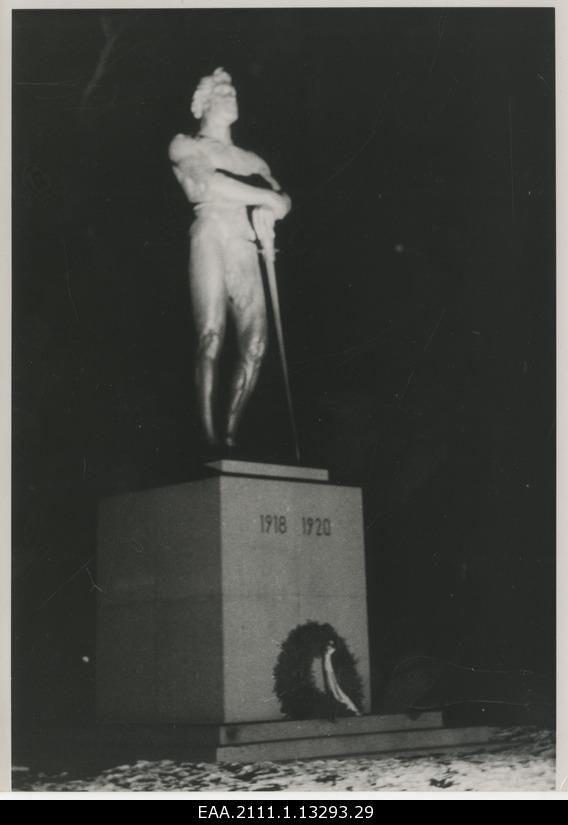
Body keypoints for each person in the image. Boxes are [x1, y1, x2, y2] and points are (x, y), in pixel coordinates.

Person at [169, 68, 291, 449]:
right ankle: (205, 436)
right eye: (222, 90)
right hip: (211, 232)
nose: (231, 95)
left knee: (255, 345)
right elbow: (207, 183)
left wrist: (273, 206)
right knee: (211, 334)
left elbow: (282, 198)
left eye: (234, 90)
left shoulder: (252, 160)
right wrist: (265, 199)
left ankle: (231, 432)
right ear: (202, 102)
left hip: (243, 242)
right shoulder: (186, 144)